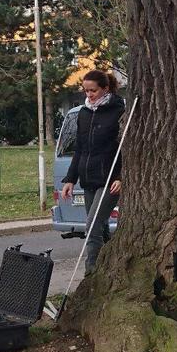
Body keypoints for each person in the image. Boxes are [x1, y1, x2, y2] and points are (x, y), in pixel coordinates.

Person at [60, 70, 124, 274]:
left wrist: (122, 176)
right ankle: (109, 269)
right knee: (100, 228)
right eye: (86, 91)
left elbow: (126, 147)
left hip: (109, 179)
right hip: (88, 178)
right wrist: (70, 179)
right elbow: (80, 148)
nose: (89, 95)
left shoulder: (118, 110)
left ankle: (91, 272)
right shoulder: (84, 113)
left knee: (92, 226)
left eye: (93, 91)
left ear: (105, 89)